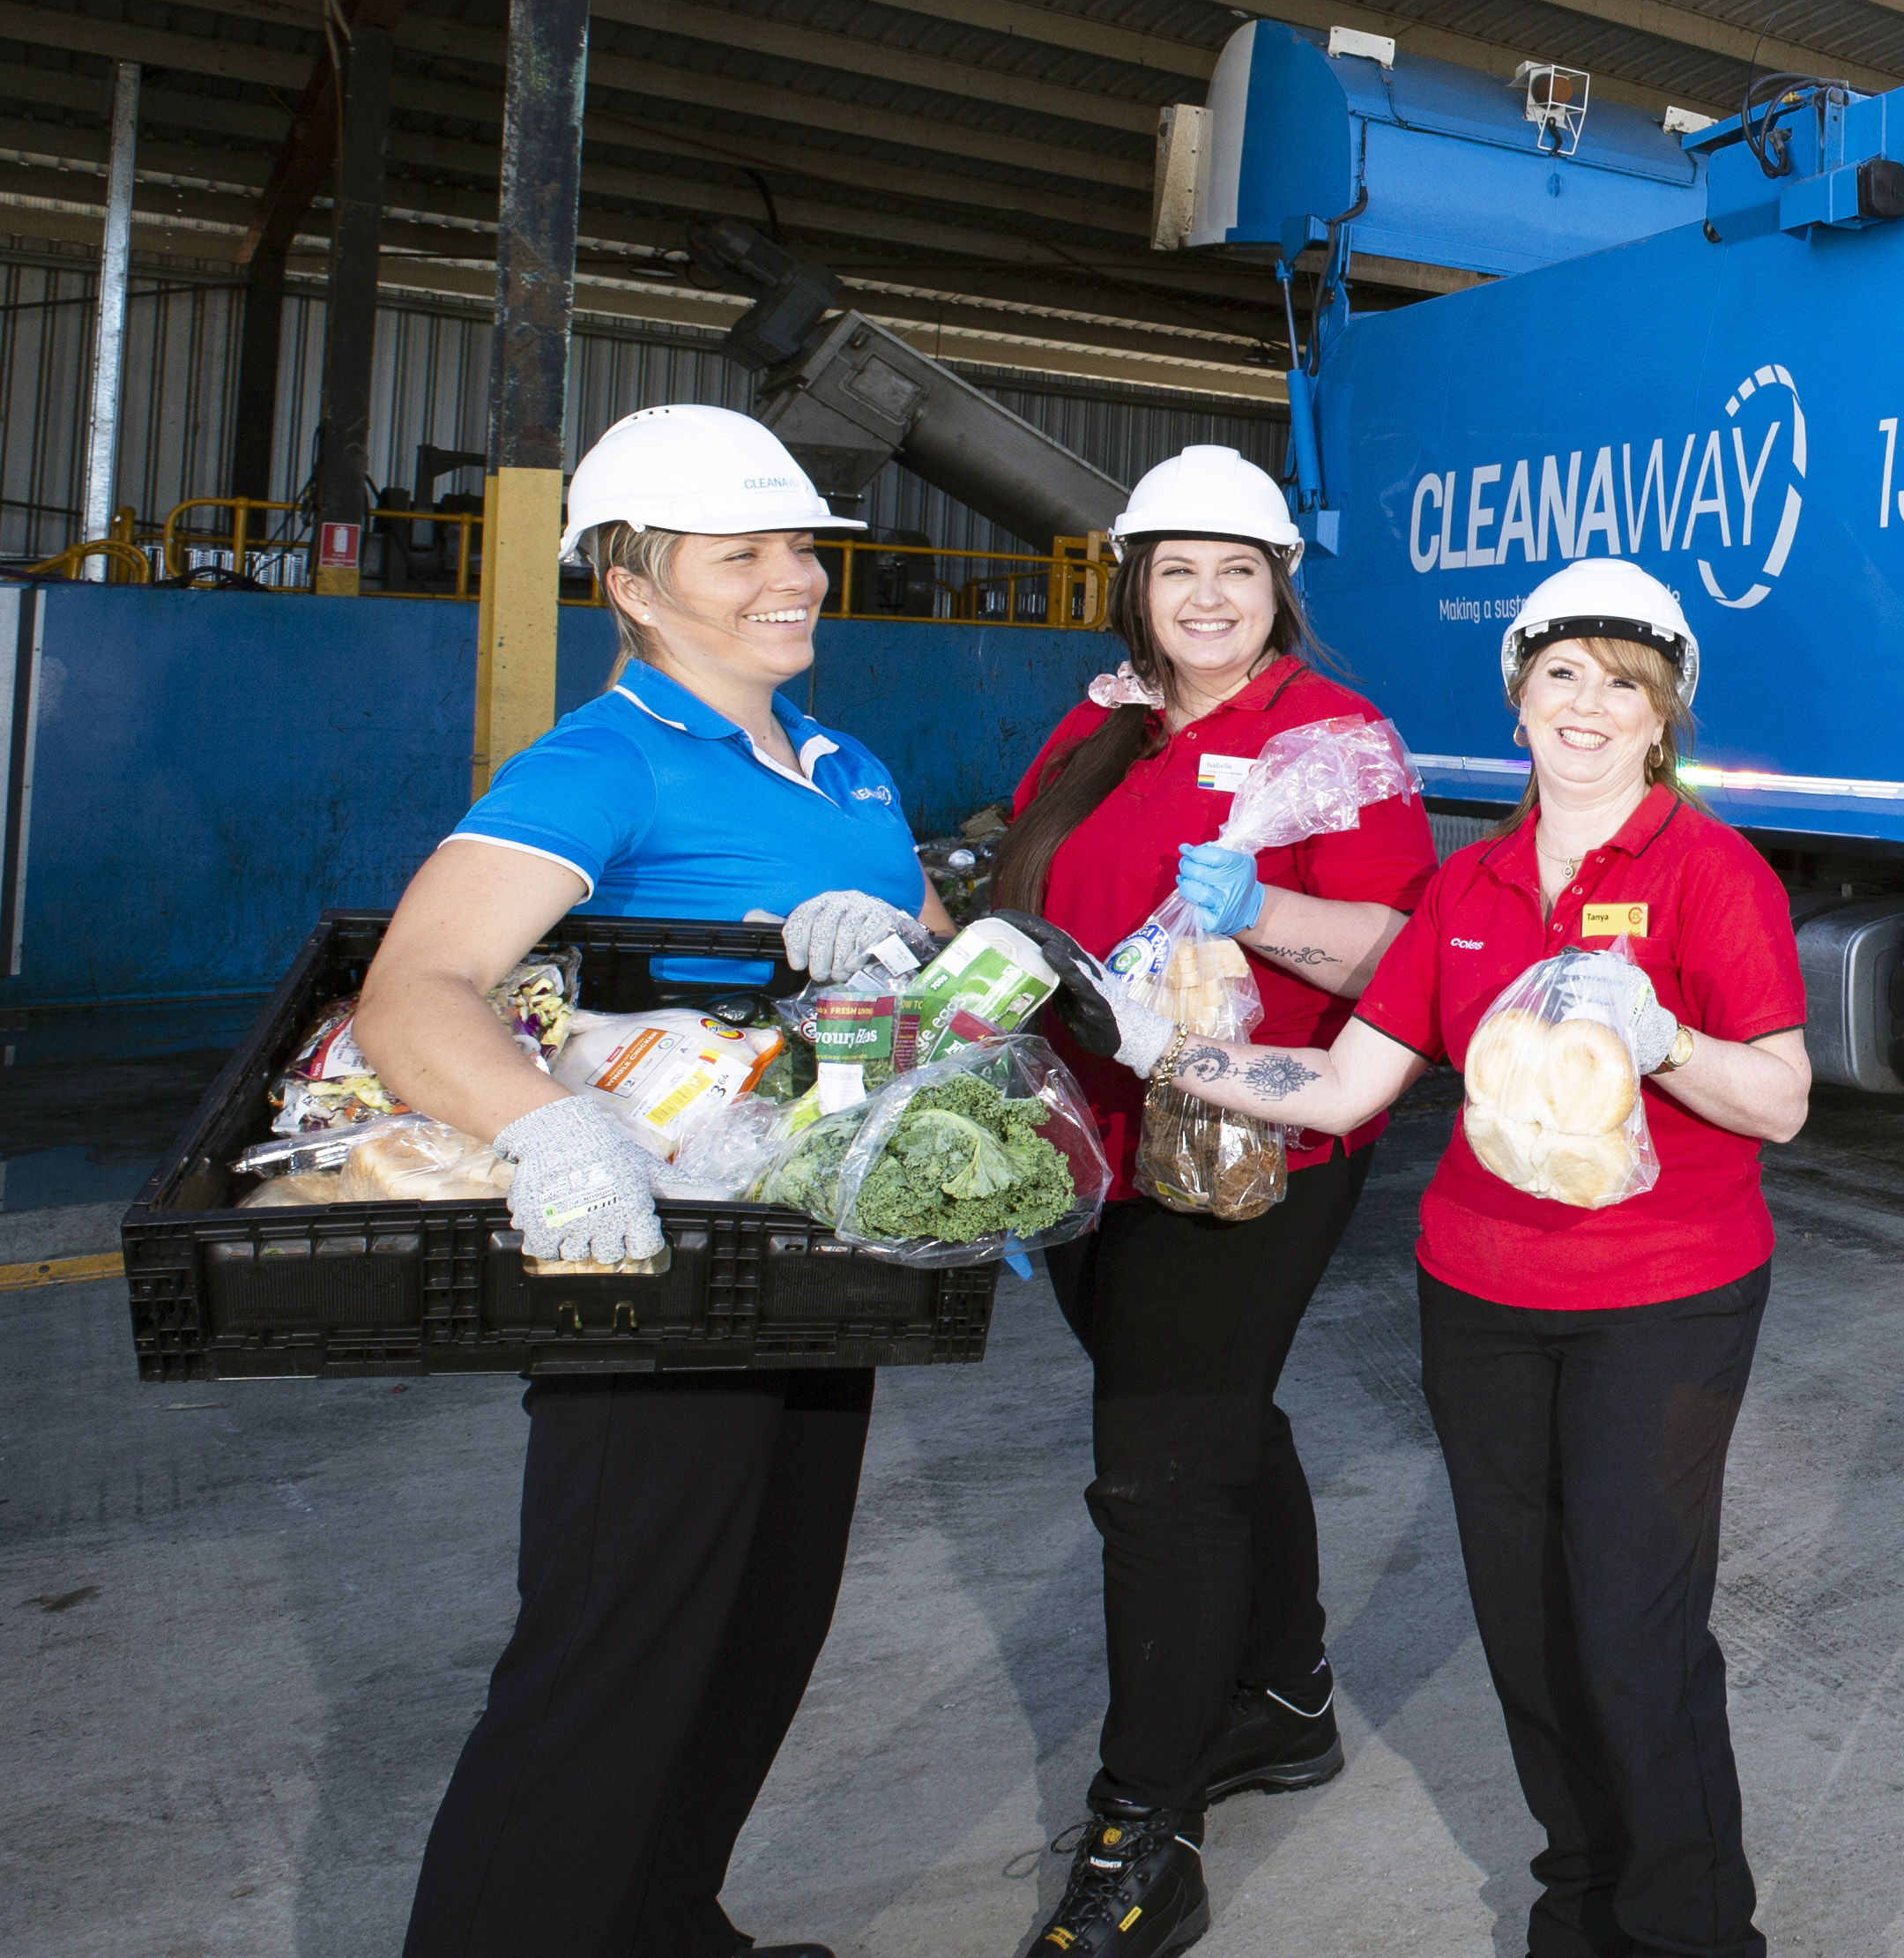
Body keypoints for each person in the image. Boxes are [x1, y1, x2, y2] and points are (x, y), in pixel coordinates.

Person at [1071, 556, 1810, 1958]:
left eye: (1624, 683)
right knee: (1529, 1636)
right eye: (1561, 674)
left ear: (1663, 716)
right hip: (1478, 1299)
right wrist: (1162, 1044)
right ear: (1517, 698)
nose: (1587, 704)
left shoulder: (1712, 873)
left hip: (1661, 1300)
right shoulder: (1465, 887)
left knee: (1631, 1635)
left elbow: (1779, 1099)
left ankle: (1692, 1932)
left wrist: (1663, 1035)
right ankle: (1577, 1914)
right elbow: (1345, 1085)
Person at [353, 405, 947, 1958]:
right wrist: (550, 1132)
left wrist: (903, 961)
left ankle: (661, 1923)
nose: (792, 577)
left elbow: (939, 984)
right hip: (656, 1269)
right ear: (631, 583)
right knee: (612, 1656)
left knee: (761, 1628)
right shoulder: (606, 758)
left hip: (819, 1248)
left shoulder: (850, 765)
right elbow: (415, 988)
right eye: (739, 553)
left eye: (800, 546)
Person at [993, 445, 1438, 1958]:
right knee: (1211, 1416)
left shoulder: (1334, 739)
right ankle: (1285, 1697)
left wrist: (1263, 910)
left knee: (1158, 1475)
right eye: (1175, 568)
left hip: (1245, 1145)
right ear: (1135, 583)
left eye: (1235, 570)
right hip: (1089, 1142)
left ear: (1278, 589)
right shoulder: (1101, 723)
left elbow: (1393, 955)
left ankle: (1147, 1827)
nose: (1205, 597)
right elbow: (1036, 899)